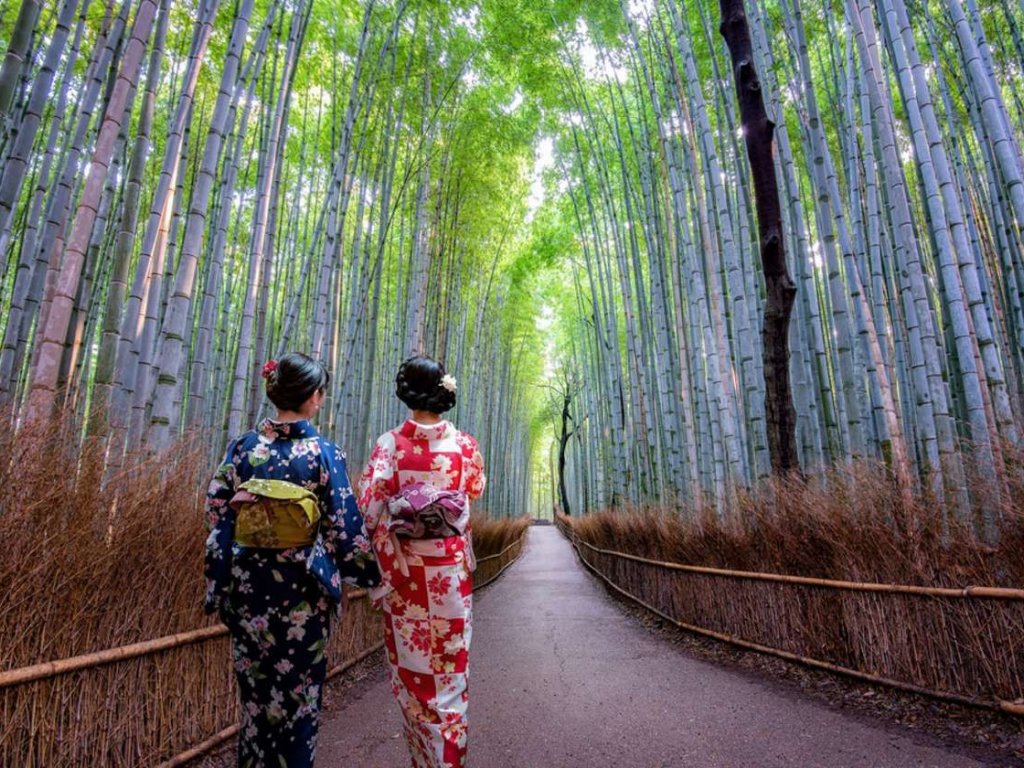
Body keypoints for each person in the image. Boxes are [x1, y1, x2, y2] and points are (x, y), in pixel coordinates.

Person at [203, 352, 379, 768]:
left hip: (247, 591)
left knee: (254, 697)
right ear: (314, 397)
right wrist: (369, 576)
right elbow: (344, 527)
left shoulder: (244, 448)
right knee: (299, 698)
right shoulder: (322, 453)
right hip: (300, 594)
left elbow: (216, 508)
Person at [358, 355, 486, 768]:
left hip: (407, 579)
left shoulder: (389, 445)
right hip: (450, 580)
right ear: (442, 392)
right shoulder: (465, 446)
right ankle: (450, 760)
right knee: (450, 681)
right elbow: (475, 488)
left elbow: (368, 506)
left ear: (405, 392)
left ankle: (424, 762)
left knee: (414, 683)